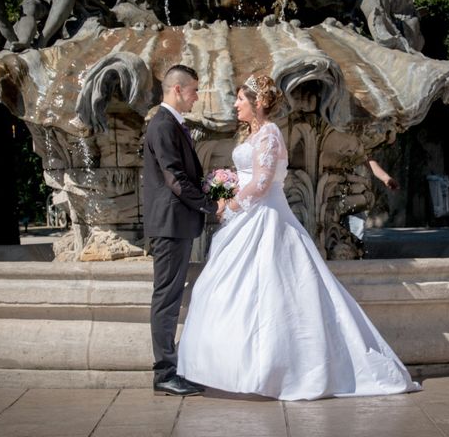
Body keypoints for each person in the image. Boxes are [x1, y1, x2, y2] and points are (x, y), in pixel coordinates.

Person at [177, 74, 421, 400]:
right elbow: (251, 178)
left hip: (266, 218)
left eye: (240, 99)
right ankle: (228, 368)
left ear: (258, 102)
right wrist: (229, 187)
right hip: (249, 217)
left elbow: (263, 183)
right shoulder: (253, 135)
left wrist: (230, 205)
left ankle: (276, 371)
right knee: (229, 289)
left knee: (274, 293)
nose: (235, 104)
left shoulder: (271, 133)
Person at [142, 64, 225, 397]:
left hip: (176, 223)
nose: (196, 97)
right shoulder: (162, 125)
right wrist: (210, 204)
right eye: (193, 90)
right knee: (166, 298)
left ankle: (172, 366)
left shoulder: (172, 124)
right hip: (170, 224)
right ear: (177, 89)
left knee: (172, 296)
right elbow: (174, 178)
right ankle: (164, 371)